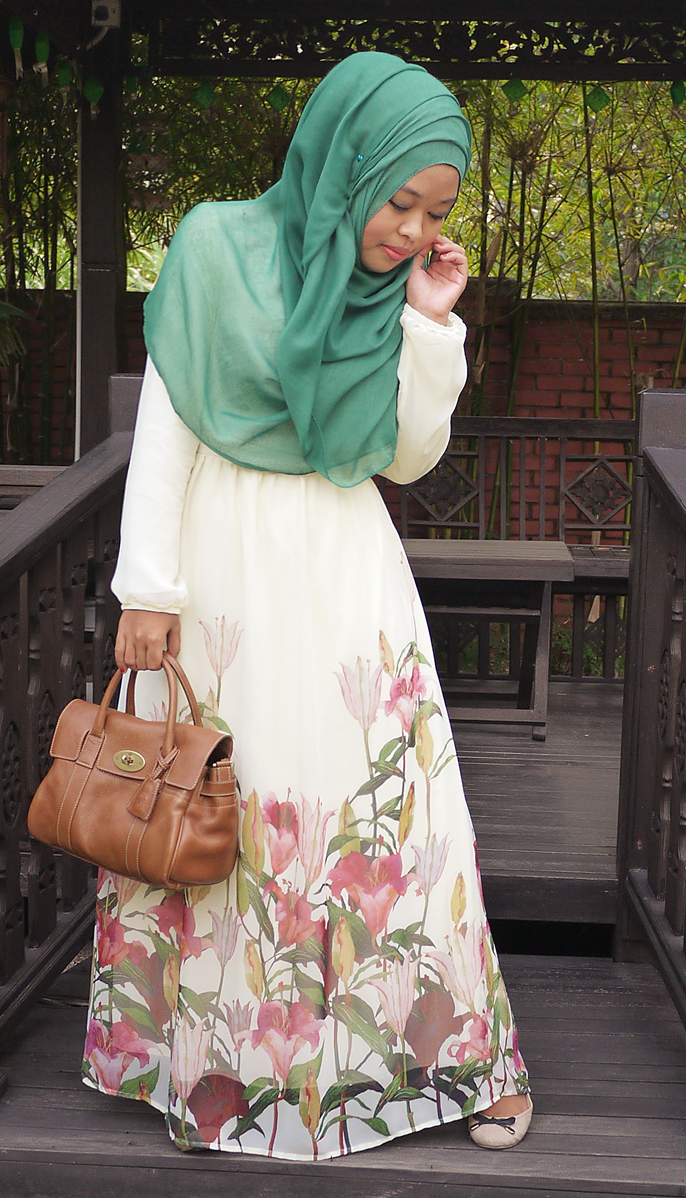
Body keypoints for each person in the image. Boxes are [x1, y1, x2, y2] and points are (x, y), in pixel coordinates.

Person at [82, 51, 532, 1159]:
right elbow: (167, 429)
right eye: (397, 201)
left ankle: (455, 1063)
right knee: (221, 802)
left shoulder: (389, 291)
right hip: (221, 575)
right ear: (343, 166)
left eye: (434, 214)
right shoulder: (214, 249)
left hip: (343, 573)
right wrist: (148, 589)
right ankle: (219, 1072)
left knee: (391, 812)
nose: (410, 230)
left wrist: (430, 322)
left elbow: (406, 457)